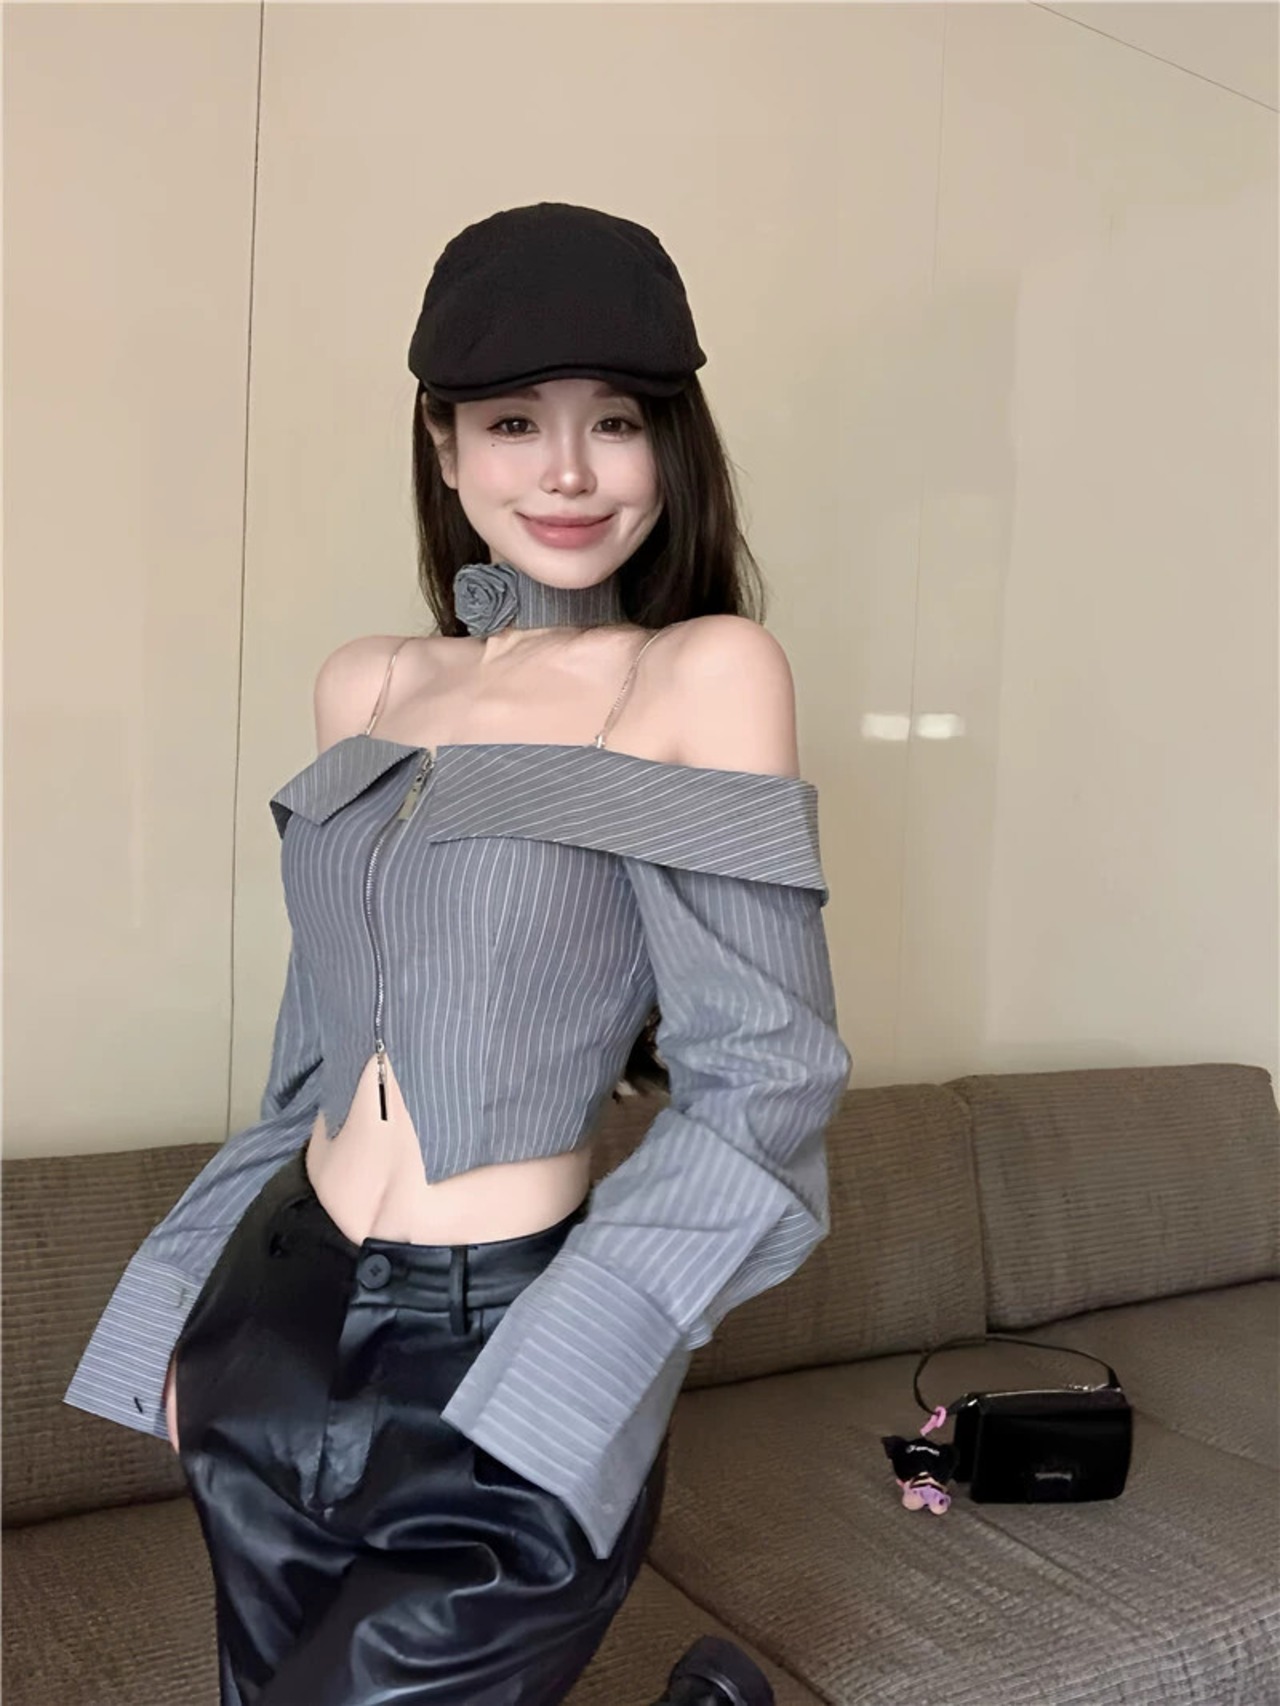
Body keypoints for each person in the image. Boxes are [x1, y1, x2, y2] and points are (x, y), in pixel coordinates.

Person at [64, 201, 853, 1706]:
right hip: (273, 1320)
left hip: (509, 1346)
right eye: (511, 422)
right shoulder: (364, 684)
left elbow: (769, 1078)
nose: (567, 472)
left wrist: (586, 1362)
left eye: (615, 420)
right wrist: (185, 1295)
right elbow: (310, 1055)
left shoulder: (701, 674)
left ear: (670, 444)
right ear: (442, 446)